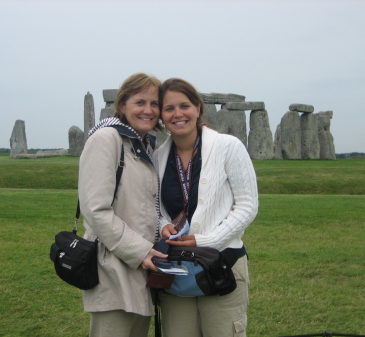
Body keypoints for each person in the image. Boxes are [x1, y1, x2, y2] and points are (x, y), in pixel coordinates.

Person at [152, 78, 259, 337]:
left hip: (221, 262)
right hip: (175, 266)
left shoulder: (228, 147)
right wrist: (162, 225)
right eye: (169, 109)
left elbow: (247, 205)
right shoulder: (157, 157)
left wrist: (208, 240)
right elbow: (155, 207)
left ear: (198, 109)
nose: (178, 114)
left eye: (184, 105)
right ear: (162, 116)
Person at [78, 73, 168, 337]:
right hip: (114, 269)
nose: (148, 110)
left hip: (140, 269)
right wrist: (140, 252)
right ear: (122, 106)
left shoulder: (142, 145)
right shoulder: (106, 139)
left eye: (154, 104)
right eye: (140, 102)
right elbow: (95, 210)